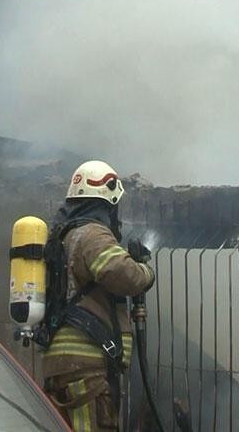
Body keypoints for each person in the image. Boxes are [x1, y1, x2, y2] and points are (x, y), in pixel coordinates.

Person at [42, 160, 155, 431]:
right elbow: (123, 274)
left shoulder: (63, 235)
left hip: (69, 364)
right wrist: (146, 272)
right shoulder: (92, 234)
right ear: (107, 203)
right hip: (87, 365)